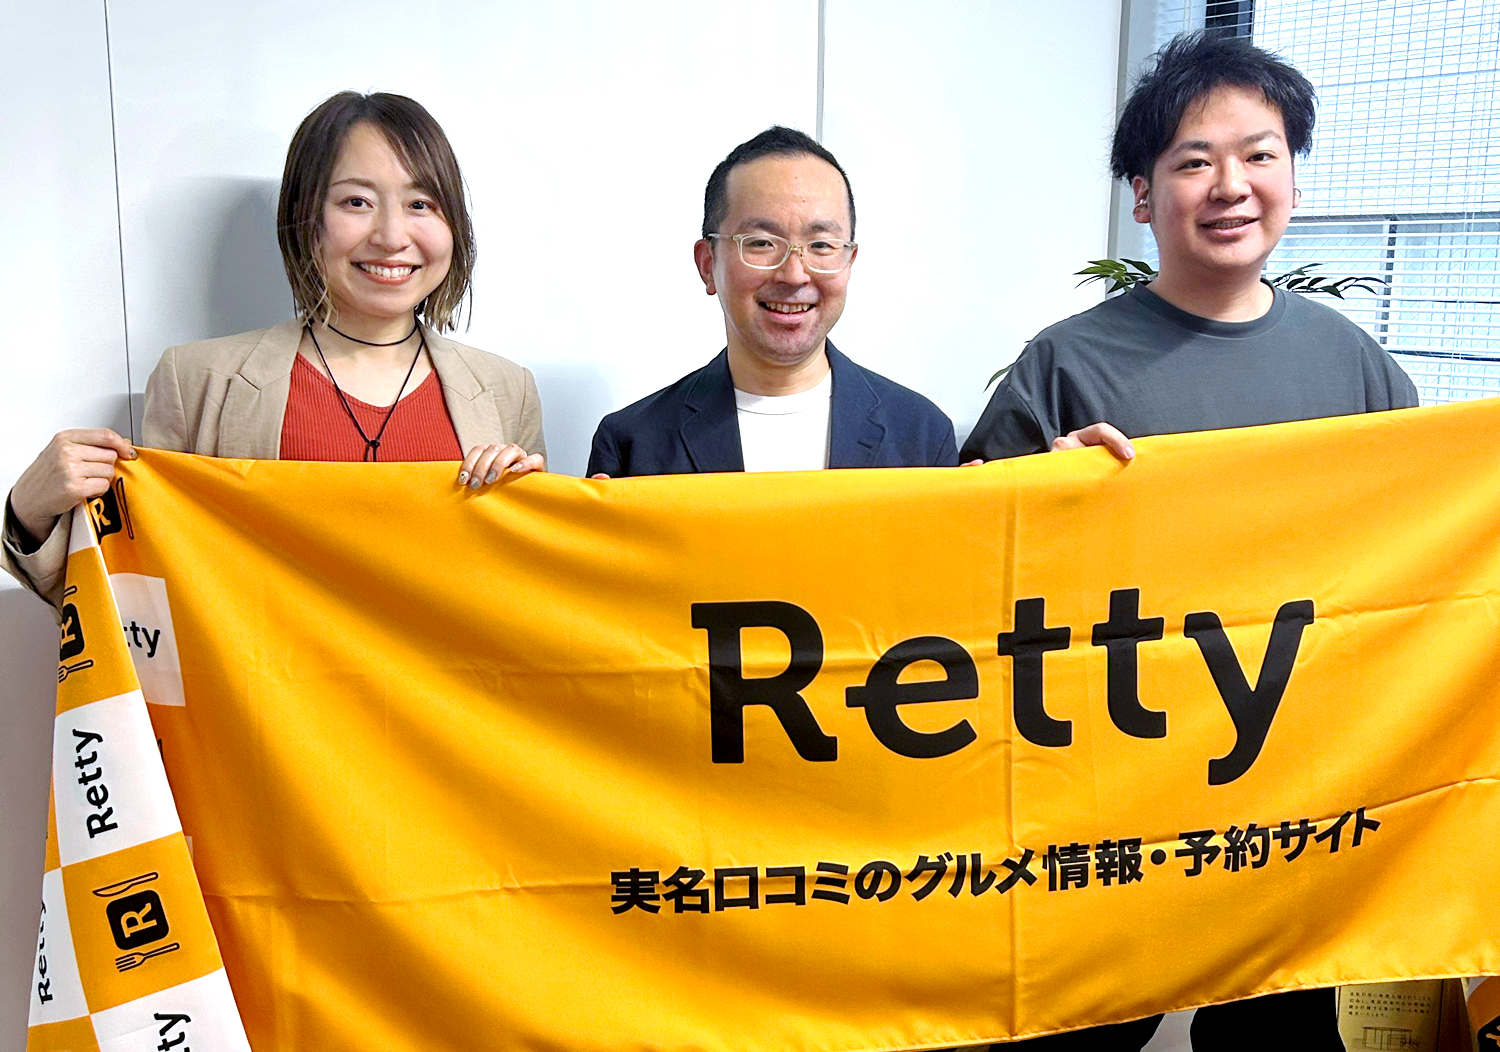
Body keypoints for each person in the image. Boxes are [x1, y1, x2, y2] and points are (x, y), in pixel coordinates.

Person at [961, 31, 1417, 1050]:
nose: (1231, 185)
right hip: (1108, 783)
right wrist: (1040, 488)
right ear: (1142, 193)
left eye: (1260, 154)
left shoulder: (1358, 368)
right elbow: (965, 566)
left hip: (1295, 784)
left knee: (1280, 1035)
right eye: (1193, 161)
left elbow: (1422, 561)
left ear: (1294, 176)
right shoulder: (1065, 365)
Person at [3, 92, 544, 611]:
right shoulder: (197, 380)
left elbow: (531, 601)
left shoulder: (507, 390)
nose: (391, 235)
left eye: (420, 204)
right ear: (307, 216)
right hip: (261, 680)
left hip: (445, 680)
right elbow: (139, 593)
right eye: (356, 202)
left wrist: (532, 522)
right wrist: (29, 515)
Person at [587, 126, 956, 478]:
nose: (793, 275)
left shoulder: (921, 437)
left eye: (821, 245)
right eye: (761, 243)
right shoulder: (633, 446)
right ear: (707, 264)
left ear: (849, 262)